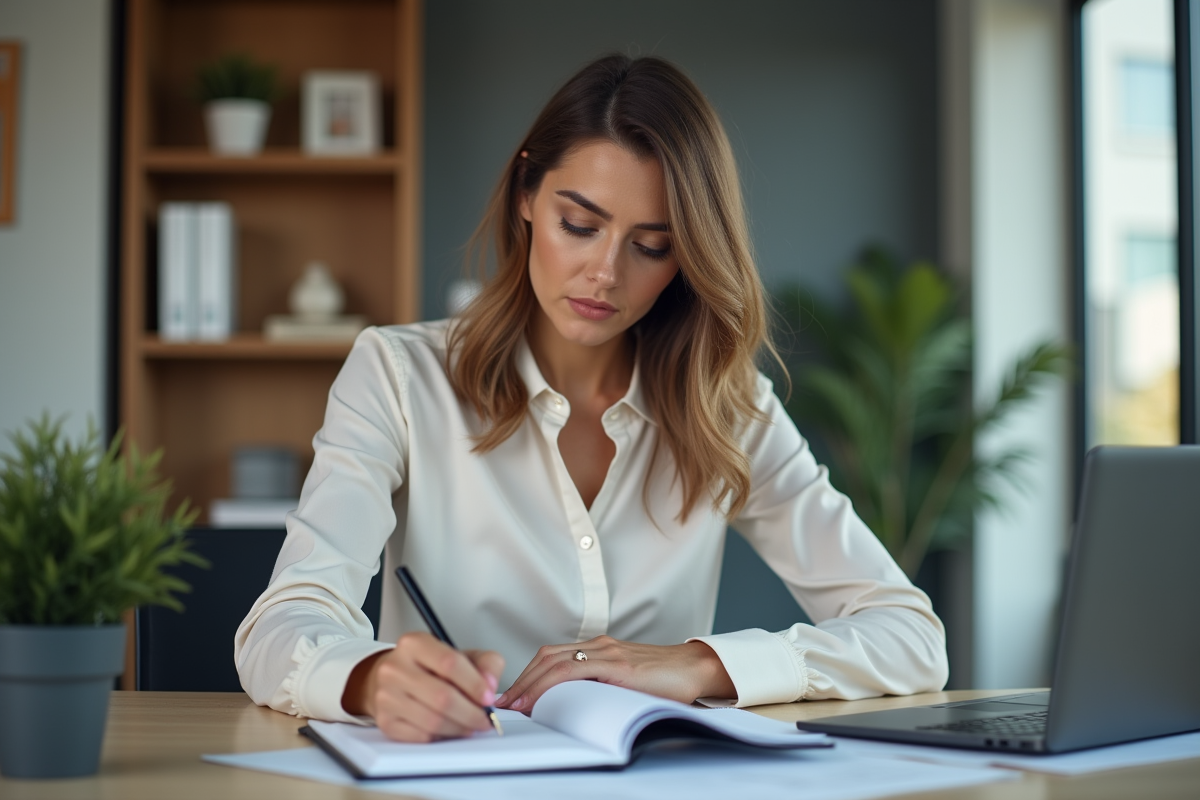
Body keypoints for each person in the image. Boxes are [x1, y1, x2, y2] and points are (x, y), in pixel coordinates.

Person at [235, 54, 948, 743]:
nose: (605, 273)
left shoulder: (728, 407)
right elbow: (282, 627)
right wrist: (372, 678)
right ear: (525, 196)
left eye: (653, 245)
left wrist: (696, 663)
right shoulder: (398, 376)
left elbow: (910, 635)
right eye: (579, 225)